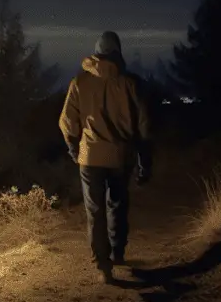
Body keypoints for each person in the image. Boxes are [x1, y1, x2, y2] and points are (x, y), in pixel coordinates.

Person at [58, 31, 152, 285]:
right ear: (118, 53)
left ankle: (102, 264)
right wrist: (145, 160)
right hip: (121, 157)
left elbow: (67, 120)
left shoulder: (80, 83)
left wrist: (72, 146)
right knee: (118, 205)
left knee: (95, 211)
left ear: (96, 52)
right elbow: (144, 125)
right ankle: (118, 251)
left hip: (90, 158)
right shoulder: (131, 83)